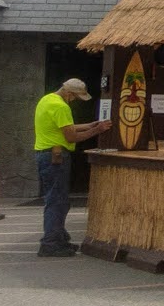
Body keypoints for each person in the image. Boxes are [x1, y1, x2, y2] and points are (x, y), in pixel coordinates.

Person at [33, 77, 111, 257]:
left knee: (57, 199)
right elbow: (71, 136)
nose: (74, 100)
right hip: (56, 156)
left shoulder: (47, 100)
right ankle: (51, 243)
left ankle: (59, 238)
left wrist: (90, 124)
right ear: (68, 93)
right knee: (57, 201)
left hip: (46, 154)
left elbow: (65, 127)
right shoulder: (61, 107)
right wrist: (96, 131)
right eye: (75, 97)